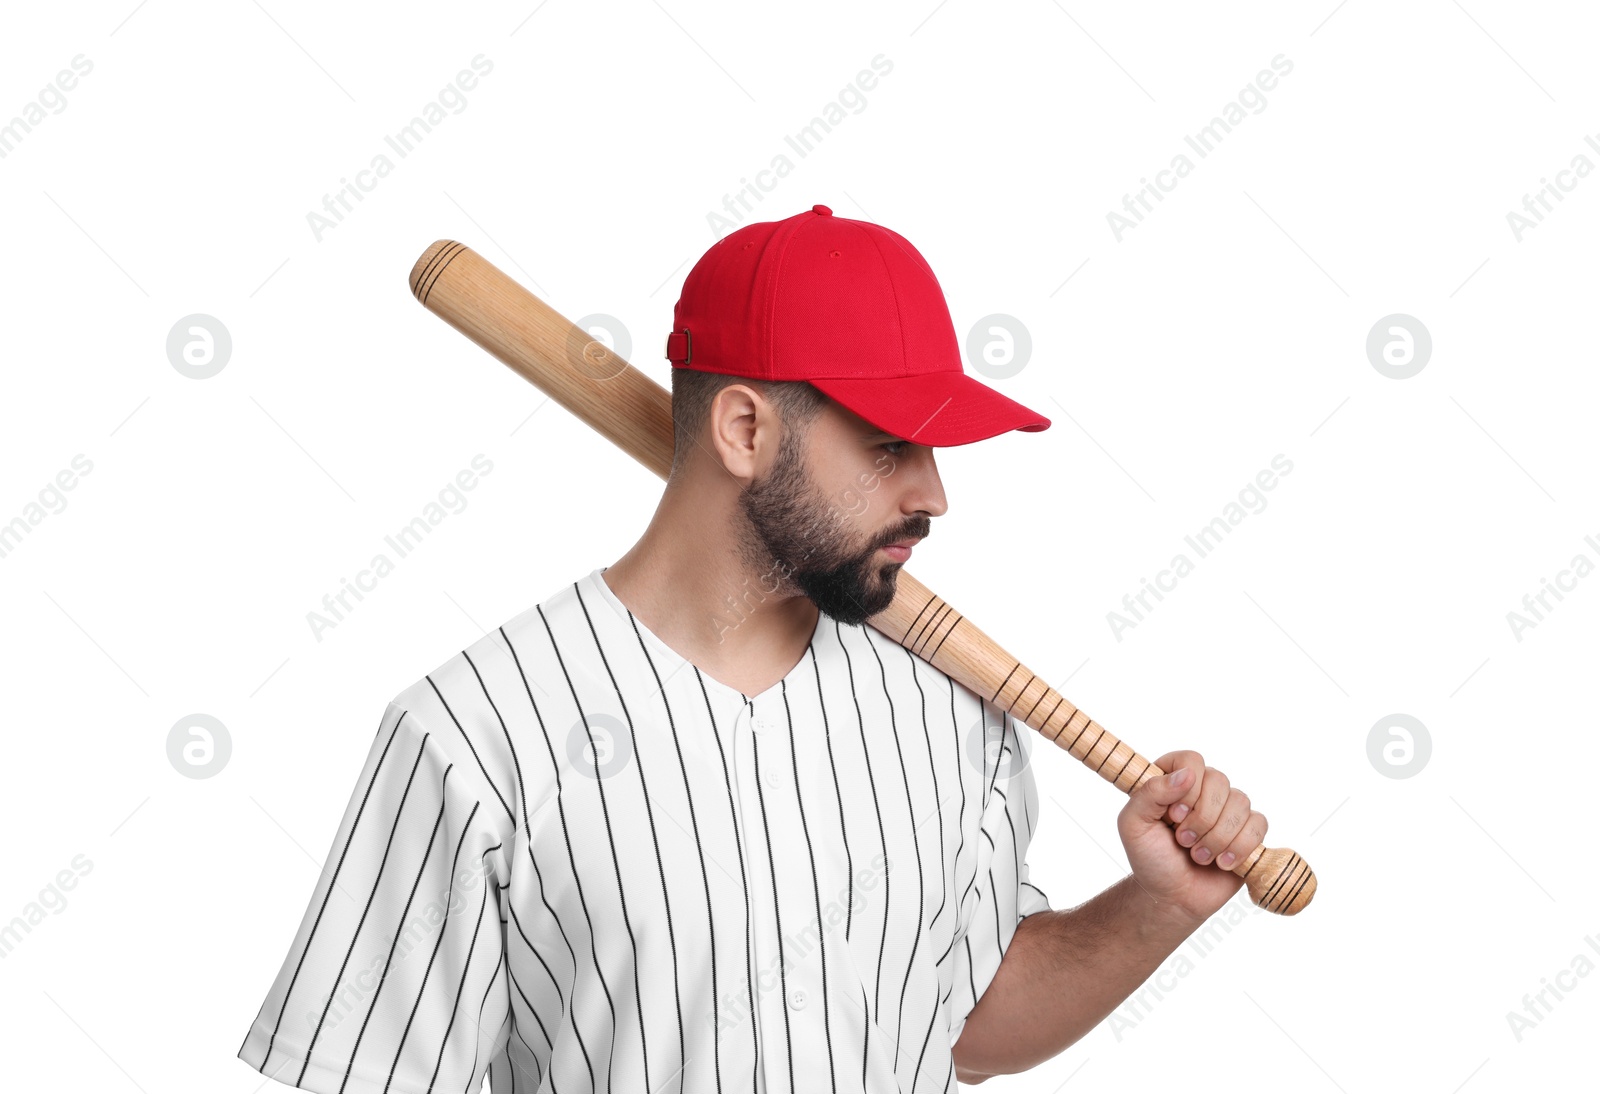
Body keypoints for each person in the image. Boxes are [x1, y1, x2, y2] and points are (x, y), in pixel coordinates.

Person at [237, 204, 1268, 1093]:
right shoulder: (477, 728)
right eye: (887, 444)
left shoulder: (954, 710)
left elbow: (965, 1026)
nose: (934, 494)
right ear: (742, 428)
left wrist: (1156, 904)